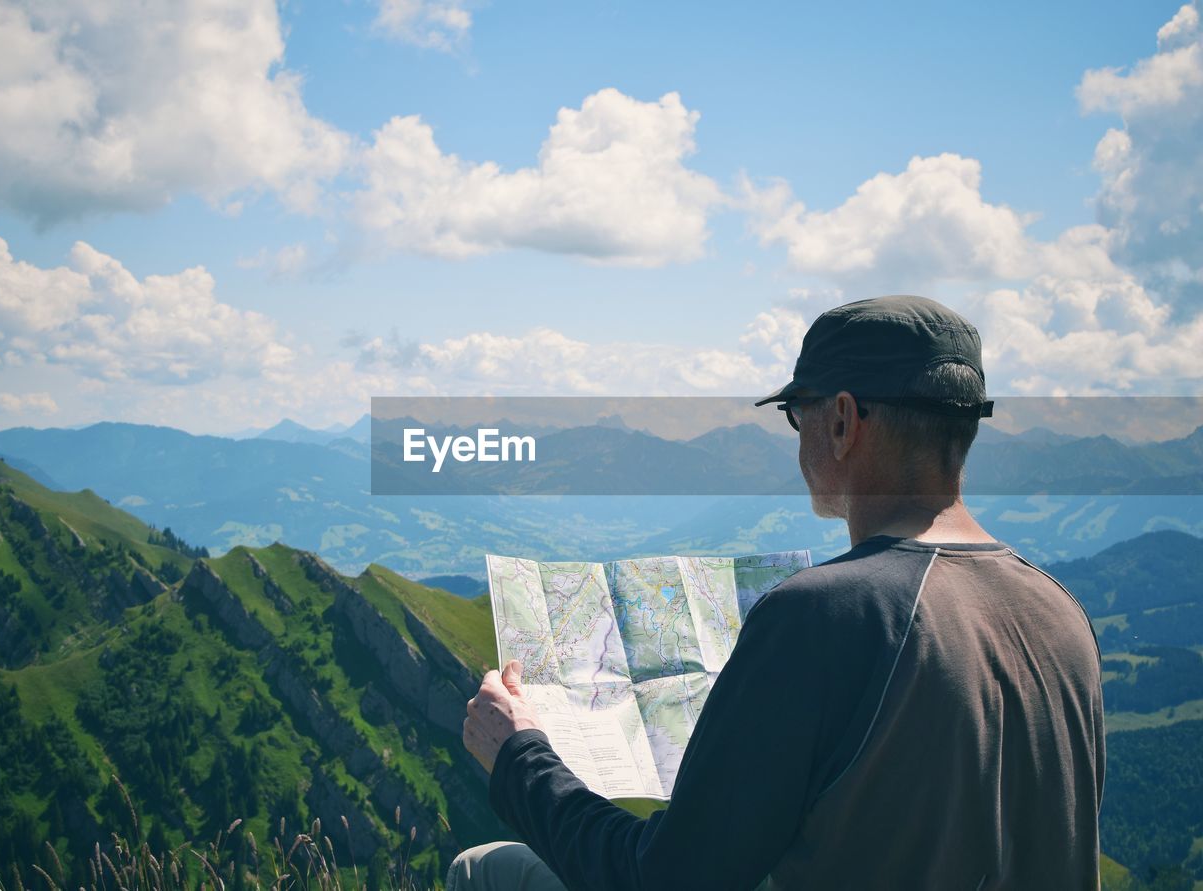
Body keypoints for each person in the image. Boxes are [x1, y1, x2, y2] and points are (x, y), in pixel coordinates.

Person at [451, 295, 1105, 890]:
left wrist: (518, 753)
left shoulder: (827, 614)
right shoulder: (1061, 611)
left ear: (844, 421)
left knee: (487, 870)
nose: (798, 440)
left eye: (799, 416)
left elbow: (660, 878)